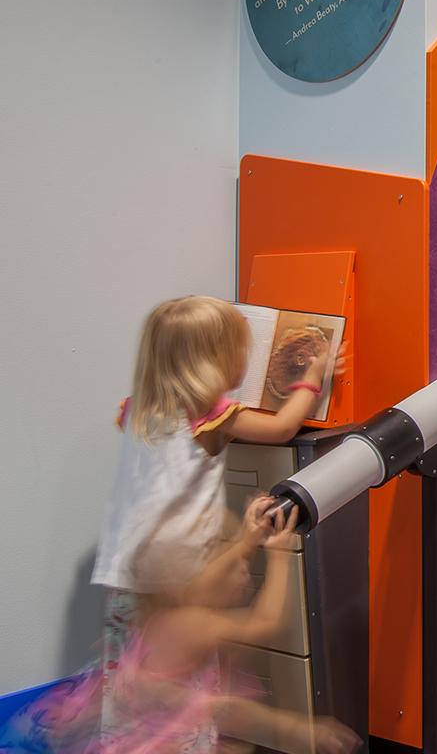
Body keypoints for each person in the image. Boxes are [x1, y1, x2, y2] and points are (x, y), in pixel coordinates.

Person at [90, 296, 333, 751]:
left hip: (125, 575)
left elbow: (168, 484)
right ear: (215, 362)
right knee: (190, 680)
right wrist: (311, 380)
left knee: (133, 675)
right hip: (177, 577)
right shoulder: (213, 416)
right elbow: (283, 428)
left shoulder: (138, 410)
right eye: (241, 350)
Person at [102, 498, 359, 754]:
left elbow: (223, 708)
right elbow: (266, 621)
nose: (244, 569)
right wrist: (280, 557)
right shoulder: (189, 625)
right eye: (231, 561)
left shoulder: (159, 616)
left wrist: (245, 539)